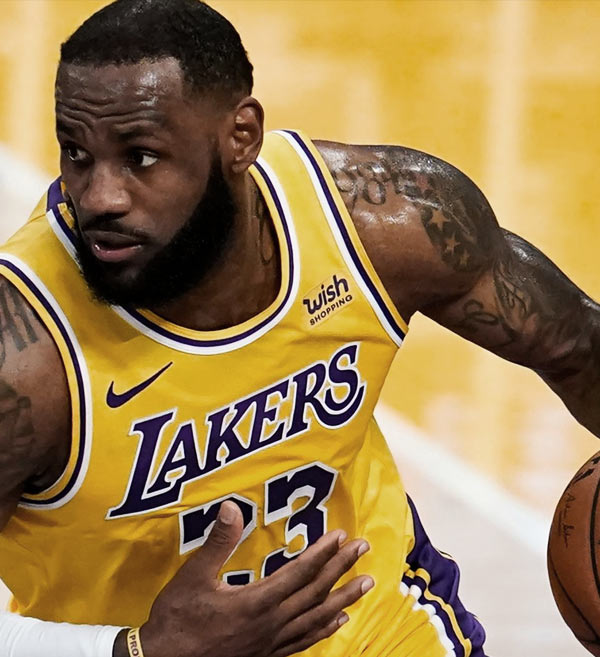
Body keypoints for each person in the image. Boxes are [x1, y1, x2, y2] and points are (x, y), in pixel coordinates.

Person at [0, 0, 598, 656]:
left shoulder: (383, 224)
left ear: (241, 137)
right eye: (76, 153)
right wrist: (142, 648)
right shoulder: (24, 355)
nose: (99, 197)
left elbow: (578, 346)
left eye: (141, 157)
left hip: (378, 632)